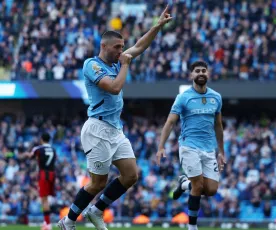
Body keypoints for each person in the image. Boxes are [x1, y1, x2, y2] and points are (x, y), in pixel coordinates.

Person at [57, 6, 172, 230]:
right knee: (98, 182)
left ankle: (96, 210)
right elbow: (114, 87)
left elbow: (139, 46)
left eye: (122, 47)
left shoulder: (118, 61)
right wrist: (126, 64)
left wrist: (157, 26)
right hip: (97, 130)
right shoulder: (92, 65)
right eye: (117, 47)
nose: (121, 51)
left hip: (115, 130)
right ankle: (68, 222)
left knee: (131, 175)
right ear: (104, 46)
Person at [156, 61, 226, 230]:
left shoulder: (216, 97)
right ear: (191, 75)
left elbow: (218, 125)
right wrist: (161, 146)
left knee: (211, 190)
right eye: (197, 71)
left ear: (208, 74)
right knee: (198, 185)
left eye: (204, 70)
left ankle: (183, 184)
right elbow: (170, 122)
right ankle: (192, 227)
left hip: (209, 149)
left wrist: (221, 151)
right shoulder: (183, 97)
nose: (201, 73)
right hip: (189, 147)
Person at [27, 133, 57, 230]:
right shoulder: (53, 149)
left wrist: (26, 154)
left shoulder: (38, 149)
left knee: (44, 199)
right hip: (52, 174)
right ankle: (46, 222)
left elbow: (31, 157)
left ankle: (47, 224)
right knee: (47, 198)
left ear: (41, 139)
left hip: (43, 174)